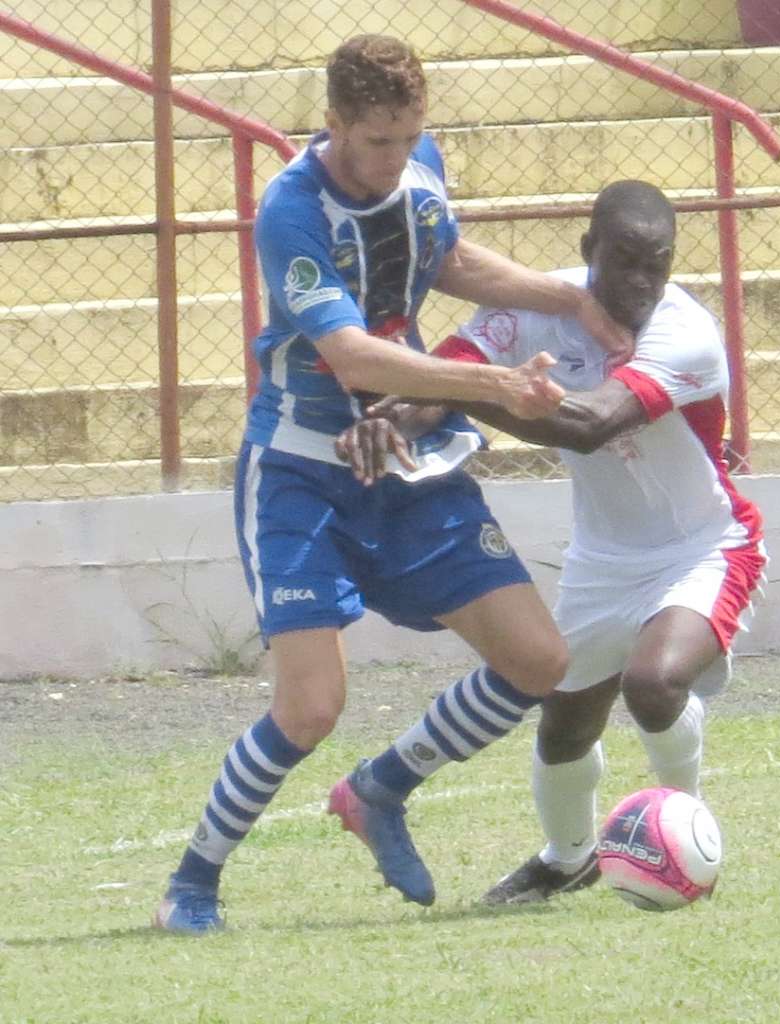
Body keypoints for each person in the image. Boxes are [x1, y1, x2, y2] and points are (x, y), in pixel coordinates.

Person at [153, 34, 633, 933]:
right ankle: (193, 880)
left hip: (408, 464)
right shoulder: (289, 212)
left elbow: (443, 257)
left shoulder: (418, 167)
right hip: (302, 469)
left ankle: (380, 790)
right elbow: (351, 352)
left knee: (538, 661)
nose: (394, 158)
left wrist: (567, 296)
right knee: (309, 708)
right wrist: (494, 385)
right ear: (333, 124)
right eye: (376, 141)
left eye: (409, 139)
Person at [336, 180, 766, 905]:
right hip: (602, 562)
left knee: (654, 683)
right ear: (585, 250)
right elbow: (441, 383)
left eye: (654, 266)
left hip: (704, 547)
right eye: (623, 261)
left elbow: (593, 425)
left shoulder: (683, 331)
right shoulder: (530, 313)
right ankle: (567, 858)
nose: (639, 283)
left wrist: (484, 392)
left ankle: (684, 833)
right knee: (564, 725)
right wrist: (391, 420)